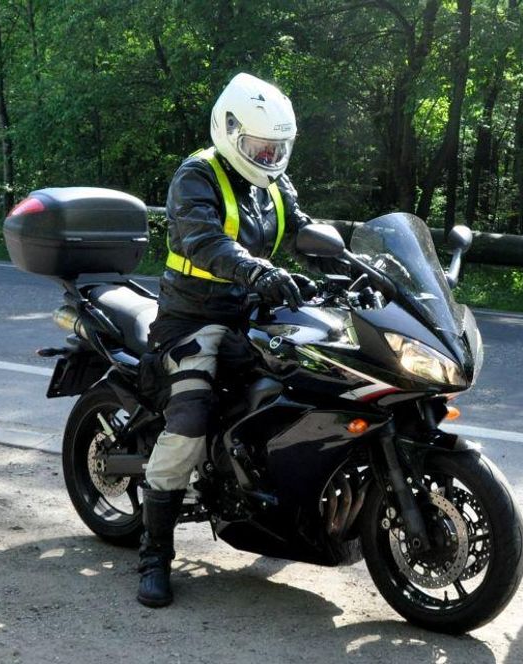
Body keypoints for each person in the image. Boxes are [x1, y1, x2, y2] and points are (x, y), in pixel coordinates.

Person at [136, 73, 329, 608]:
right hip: (192, 319)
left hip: (254, 315)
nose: (268, 156)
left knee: (314, 382)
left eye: (277, 148)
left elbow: (306, 233)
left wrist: (354, 266)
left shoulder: (274, 183)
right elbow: (204, 240)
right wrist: (257, 271)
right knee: (191, 416)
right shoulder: (195, 176)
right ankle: (155, 555)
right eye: (259, 147)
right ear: (229, 131)